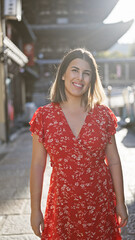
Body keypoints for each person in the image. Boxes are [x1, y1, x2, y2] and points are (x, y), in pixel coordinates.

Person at [29, 48, 128, 239]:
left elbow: (114, 161)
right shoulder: (44, 117)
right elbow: (37, 165)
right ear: (63, 74)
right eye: (74, 70)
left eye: (86, 73)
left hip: (100, 202)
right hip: (62, 205)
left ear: (92, 79)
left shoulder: (103, 115)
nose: (80, 77)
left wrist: (120, 202)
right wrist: (35, 209)